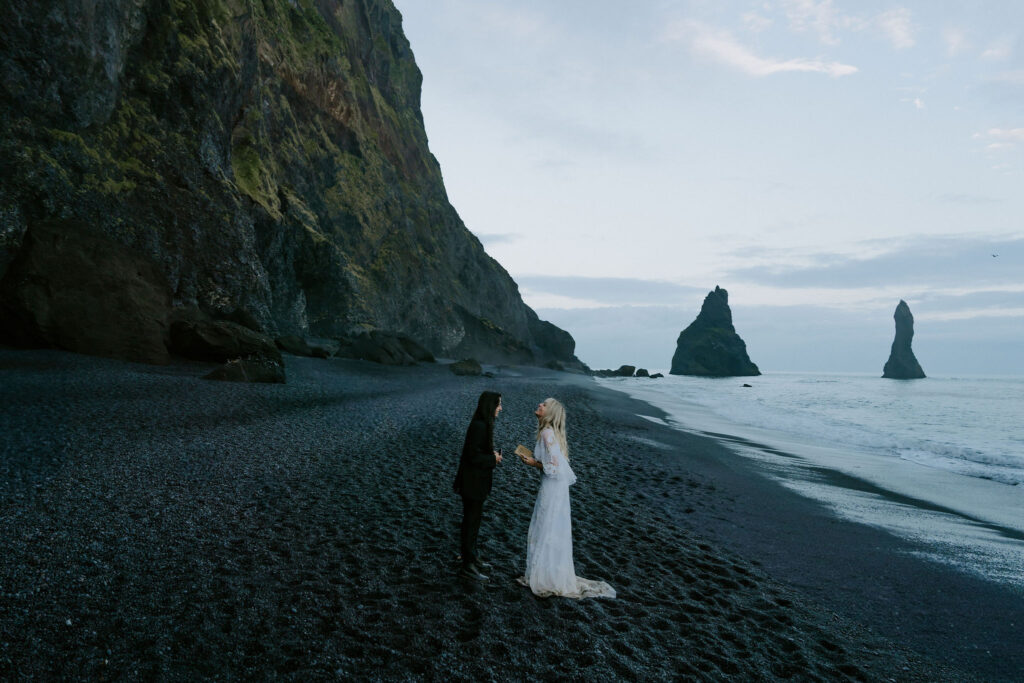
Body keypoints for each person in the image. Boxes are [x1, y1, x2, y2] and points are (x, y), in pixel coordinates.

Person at [517, 398, 615, 599]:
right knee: (551, 527)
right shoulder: (553, 434)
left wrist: (533, 463)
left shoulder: (546, 433)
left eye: (543, 404)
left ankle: (543, 576)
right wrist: (537, 463)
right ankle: (546, 573)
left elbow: (553, 467)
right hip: (556, 488)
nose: (539, 405)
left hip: (552, 488)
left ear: (549, 412)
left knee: (545, 526)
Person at [453, 390, 503, 581]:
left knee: (474, 522)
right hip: (472, 483)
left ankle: (472, 558)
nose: (500, 408)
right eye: (498, 404)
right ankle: (468, 565)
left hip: (476, 483)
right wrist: (493, 458)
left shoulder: (483, 424)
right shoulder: (479, 426)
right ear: (490, 405)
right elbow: (472, 456)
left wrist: (491, 455)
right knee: (471, 523)